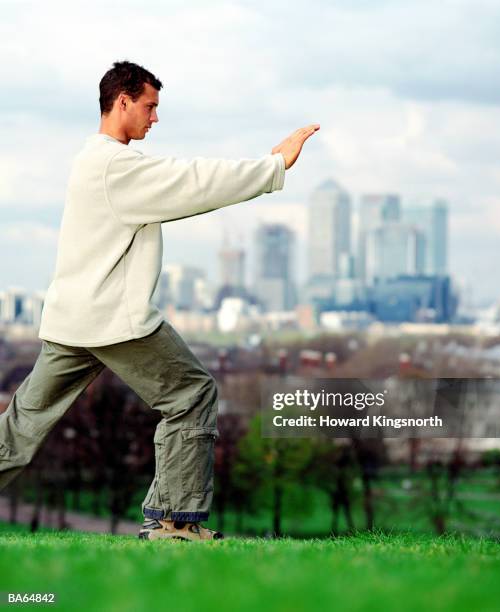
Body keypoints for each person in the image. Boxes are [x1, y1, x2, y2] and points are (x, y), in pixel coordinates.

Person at [0, 60, 320, 542]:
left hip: (72, 320)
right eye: (150, 107)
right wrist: (273, 166)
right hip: (111, 321)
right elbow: (193, 182)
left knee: (24, 421)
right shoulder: (114, 165)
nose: (155, 118)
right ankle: (173, 522)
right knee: (192, 395)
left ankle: (172, 519)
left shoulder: (93, 159)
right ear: (122, 101)